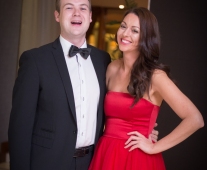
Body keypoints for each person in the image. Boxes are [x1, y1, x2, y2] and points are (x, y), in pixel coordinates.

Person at [8, 1, 159, 170]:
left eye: (83, 8)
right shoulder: (35, 60)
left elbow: (114, 107)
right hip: (48, 162)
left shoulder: (104, 61)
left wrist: (144, 127)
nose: (77, 13)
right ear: (57, 15)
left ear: (90, 16)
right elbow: (20, 128)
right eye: (69, 7)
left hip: (94, 162)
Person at [89, 7, 204, 170]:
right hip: (106, 154)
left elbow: (195, 119)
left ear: (146, 37)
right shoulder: (112, 68)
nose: (125, 34)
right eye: (123, 26)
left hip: (137, 158)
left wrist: (153, 147)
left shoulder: (156, 76)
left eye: (134, 30)